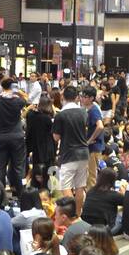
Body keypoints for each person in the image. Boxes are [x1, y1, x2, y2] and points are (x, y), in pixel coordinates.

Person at [54, 85, 89, 215]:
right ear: (76, 97)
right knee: (80, 186)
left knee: (66, 186)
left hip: (69, 153)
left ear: (63, 97)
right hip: (84, 152)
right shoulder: (83, 112)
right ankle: (78, 214)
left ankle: (70, 214)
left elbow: (56, 137)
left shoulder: (61, 115)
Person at [0, 78, 27, 197]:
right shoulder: (18, 101)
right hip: (17, 137)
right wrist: (18, 92)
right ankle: (19, 195)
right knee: (18, 166)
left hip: (2, 137)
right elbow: (26, 99)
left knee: (0, 167)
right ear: (13, 87)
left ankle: (1, 195)